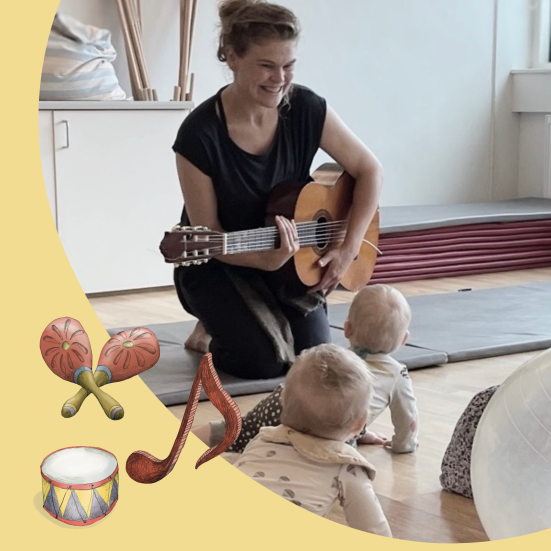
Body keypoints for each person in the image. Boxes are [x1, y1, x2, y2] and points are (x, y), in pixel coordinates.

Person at [171, 0, 383, 379]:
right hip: (221, 264)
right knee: (262, 362)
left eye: (289, 66)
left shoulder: (306, 107)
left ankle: (238, 318)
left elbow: (370, 171)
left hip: (289, 263)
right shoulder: (198, 135)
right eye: (267, 66)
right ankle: (212, 323)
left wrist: (347, 249)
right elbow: (209, 236)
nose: (280, 79)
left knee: (313, 359)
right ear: (232, 57)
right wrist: (264, 260)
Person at [194, 284, 419, 454]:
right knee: (317, 456)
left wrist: (361, 434)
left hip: (286, 400)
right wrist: (404, 445)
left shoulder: (338, 357)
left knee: (240, 430)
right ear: (404, 339)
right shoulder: (396, 375)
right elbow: (407, 420)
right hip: (322, 423)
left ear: (347, 329)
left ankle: (187, 440)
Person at [233, 343, 393, 537]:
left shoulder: (263, 438)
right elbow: (375, 531)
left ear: (282, 400)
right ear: (360, 423)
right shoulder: (346, 465)